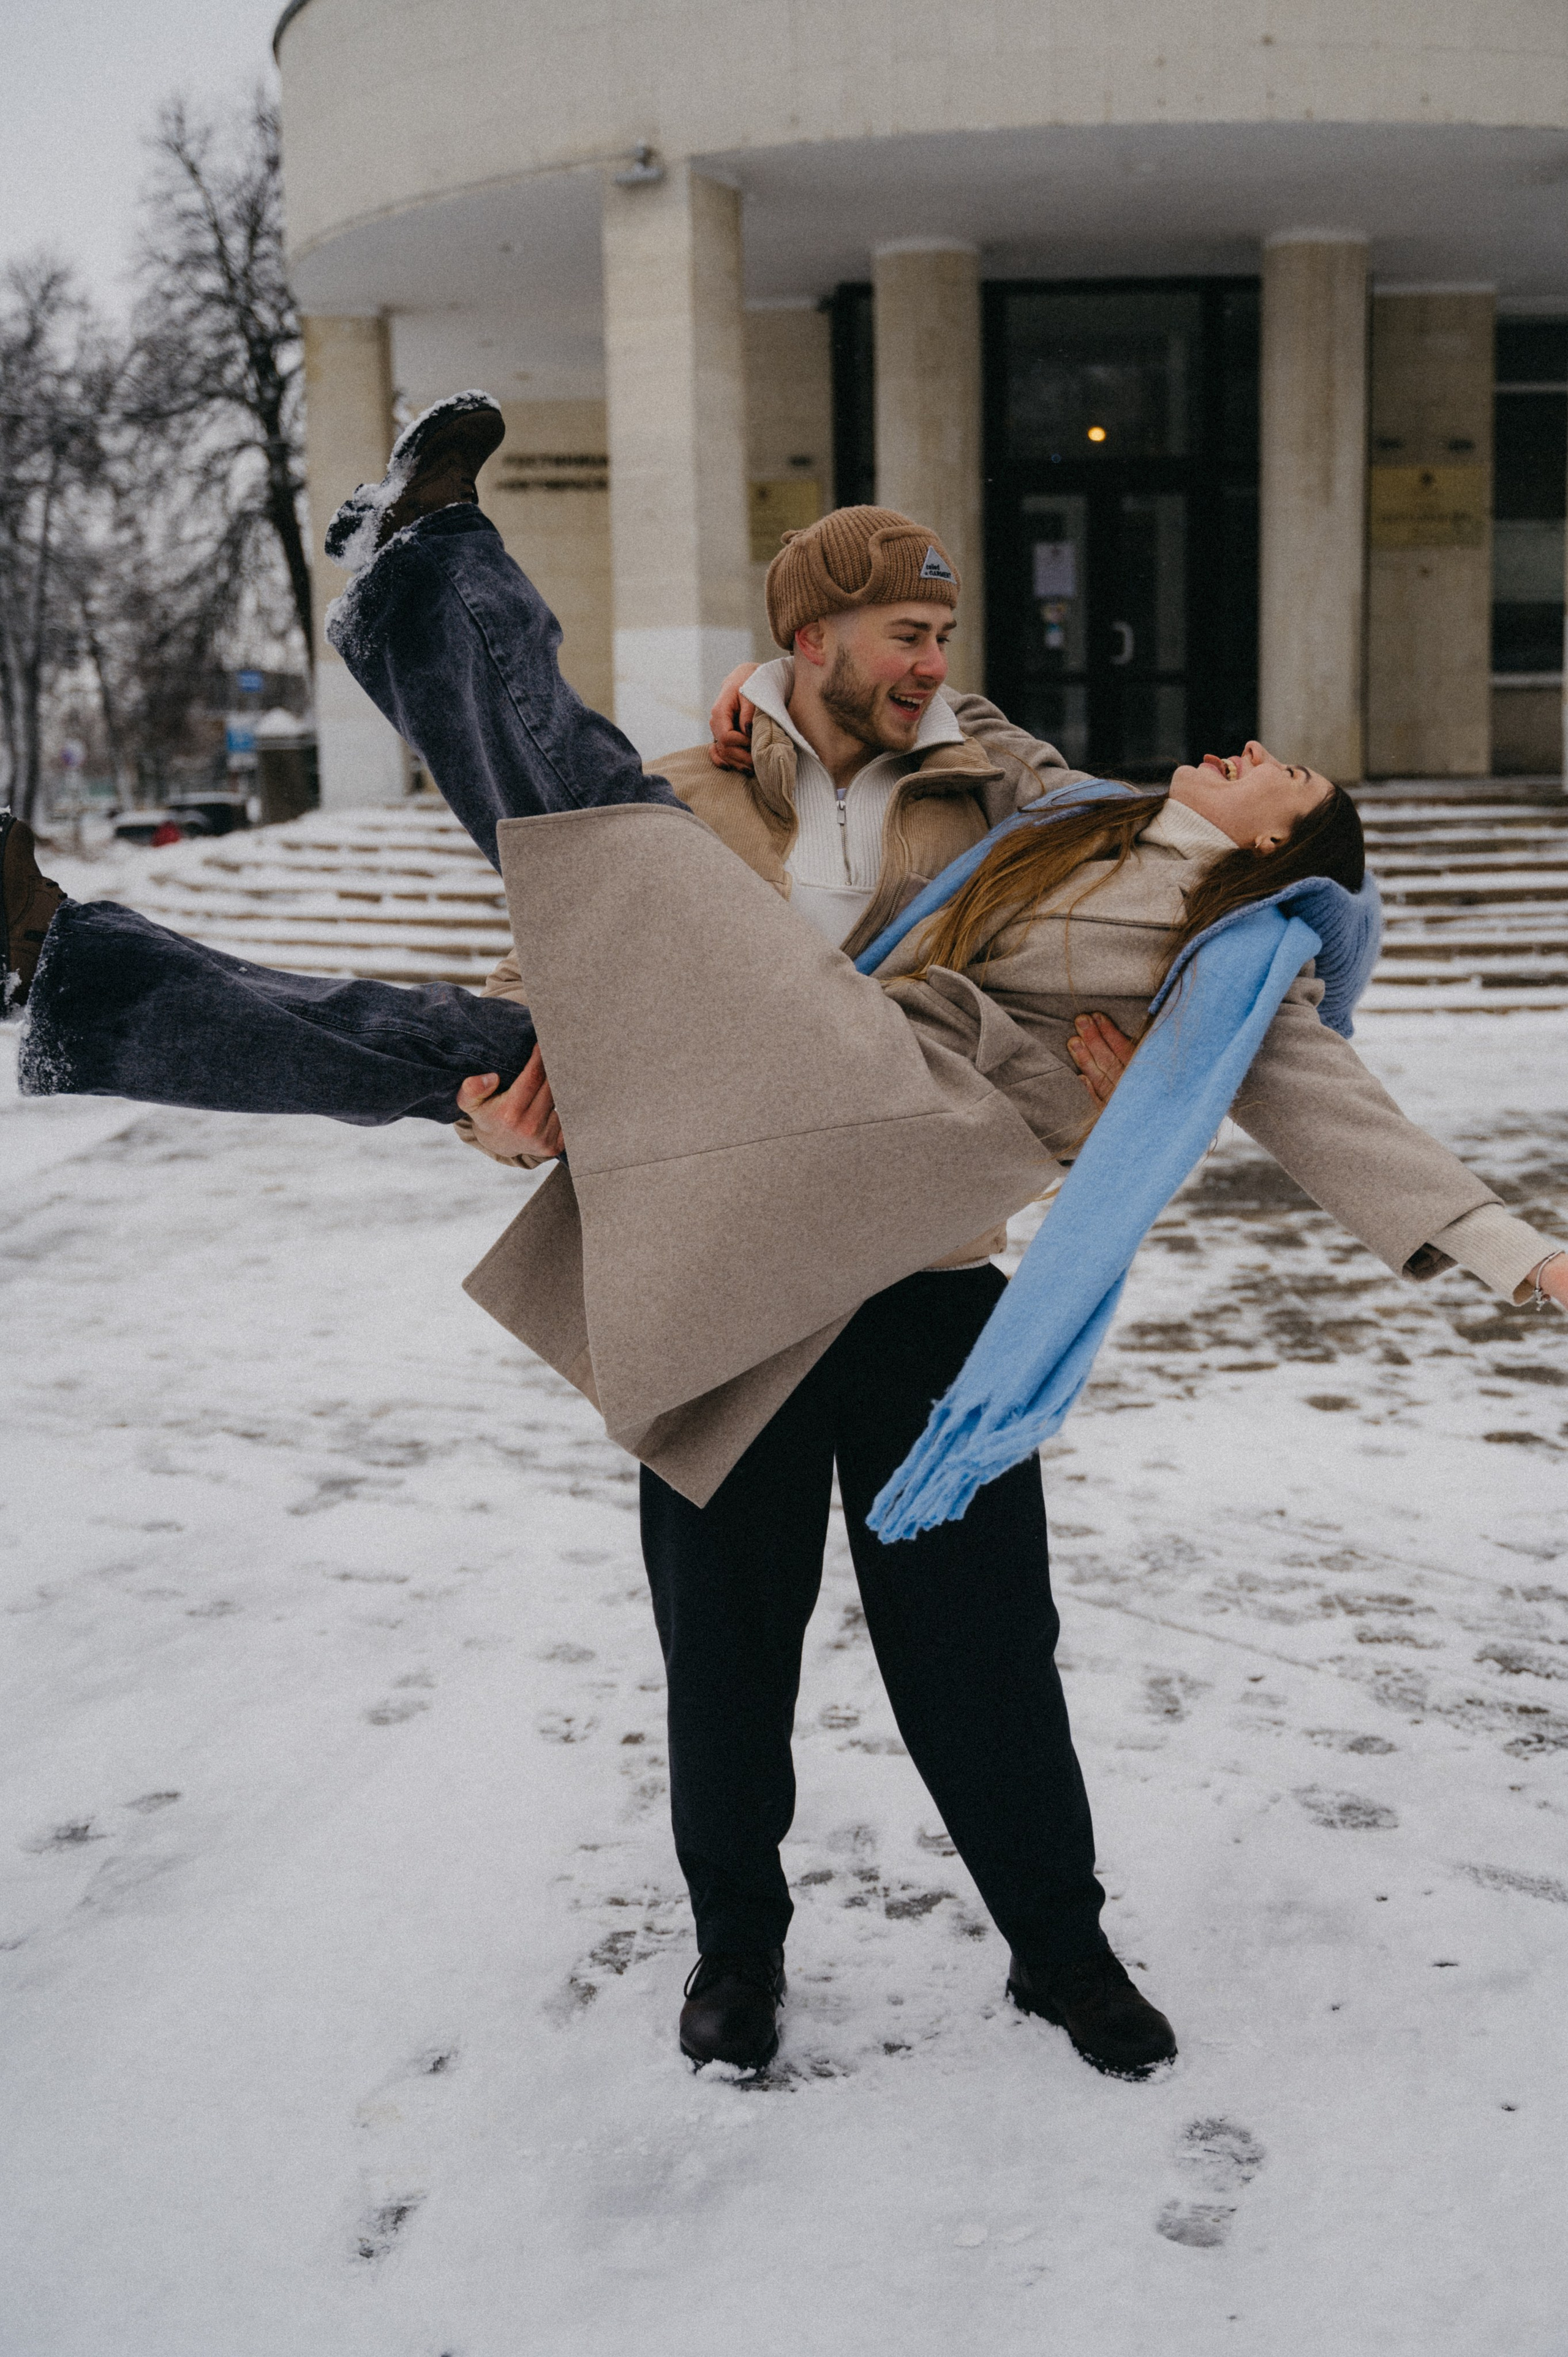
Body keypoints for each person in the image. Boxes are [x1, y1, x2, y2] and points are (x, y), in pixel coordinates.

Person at [9, 394, 1564, 2087]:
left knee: (984, 1651)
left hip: (920, 1264)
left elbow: (1310, 1084)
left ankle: (1062, 1947)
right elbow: (558, 986)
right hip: (731, 1264)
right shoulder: (698, 802)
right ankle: (736, 1951)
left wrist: (1507, 1248)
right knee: (724, 1650)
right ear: (810, 639)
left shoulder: (1024, 799)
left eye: (947, 637)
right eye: (907, 633)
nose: (937, 664)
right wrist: (493, 1112)